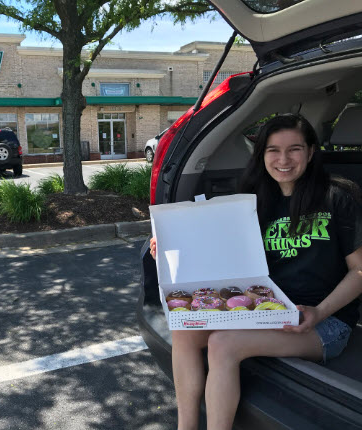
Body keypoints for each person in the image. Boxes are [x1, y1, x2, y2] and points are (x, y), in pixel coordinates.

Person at [149, 113, 362, 430]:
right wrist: (167, 246)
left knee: (223, 344)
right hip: (268, 309)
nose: (283, 159)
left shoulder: (338, 197)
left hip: (324, 322)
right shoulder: (256, 201)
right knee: (184, 329)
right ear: (261, 155)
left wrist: (319, 312)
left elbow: (359, 272)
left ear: (311, 152)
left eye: (294, 149)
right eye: (273, 150)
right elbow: (220, 254)